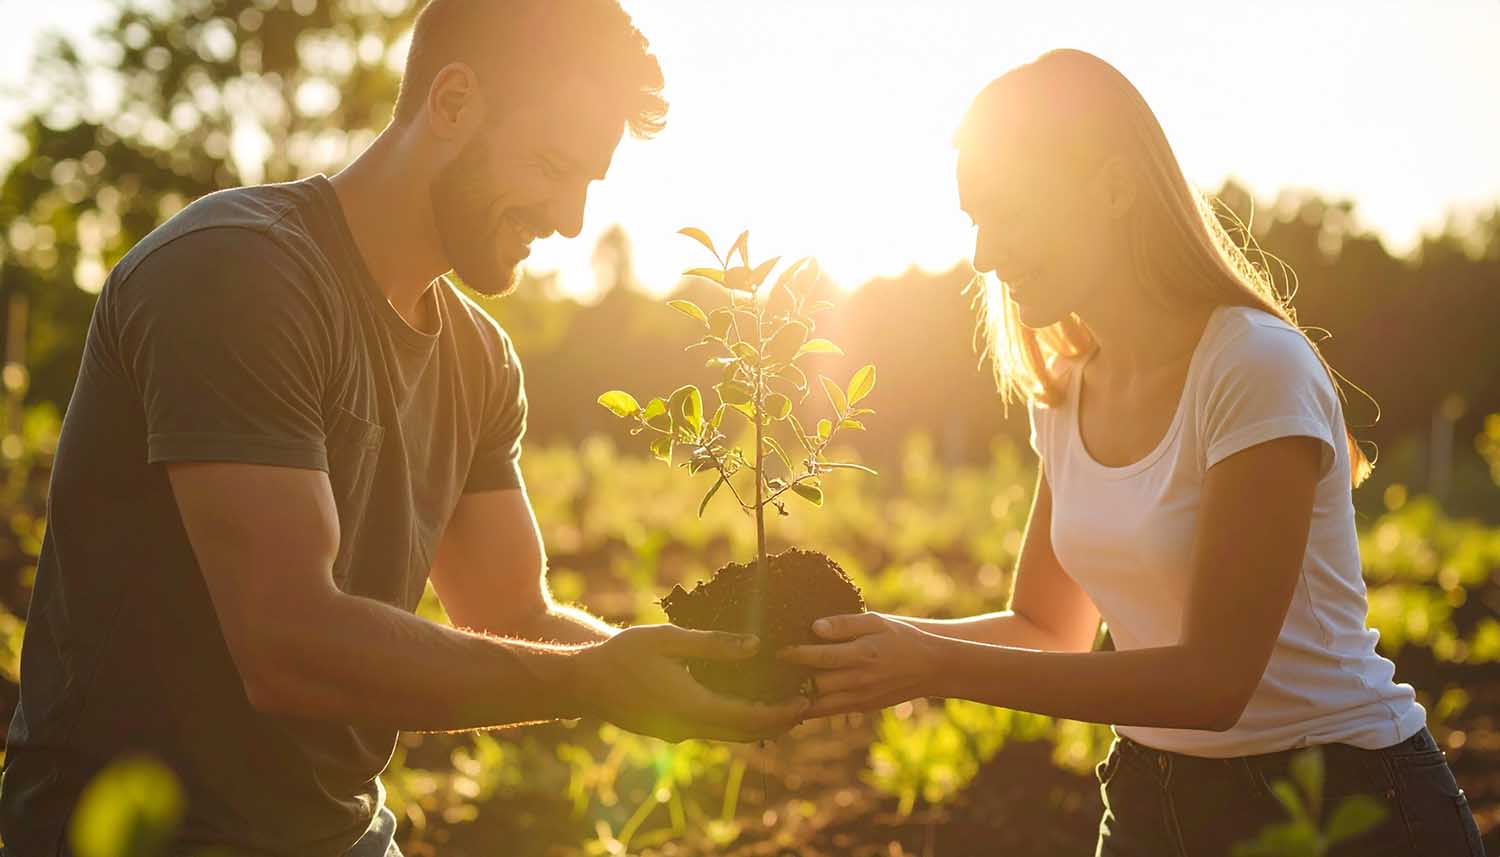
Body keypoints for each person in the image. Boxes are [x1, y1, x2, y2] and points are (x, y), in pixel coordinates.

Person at [0, 2, 807, 855]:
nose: (569, 219)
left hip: (339, 833)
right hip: (131, 833)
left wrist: (693, 667)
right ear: (453, 103)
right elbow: (287, 643)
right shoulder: (235, 274)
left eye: (588, 183)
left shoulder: (478, 359)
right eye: (549, 164)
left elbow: (514, 611)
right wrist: (593, 682)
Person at [781, 49, 1485, 856]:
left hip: (1339, 800)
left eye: (1006, 212)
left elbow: (1213, 682)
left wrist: (932, 665)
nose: (981, 253)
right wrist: (866, 643)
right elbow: (1048, 625)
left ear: (1113, 190)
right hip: (1158, 796)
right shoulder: (1070, 388)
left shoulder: (1253, 366)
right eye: (973, 218)